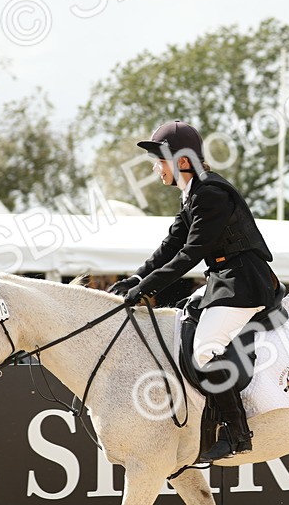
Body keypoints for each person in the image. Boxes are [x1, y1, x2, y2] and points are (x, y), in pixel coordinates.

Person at [110, 121, 276, 461]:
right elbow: (170, 245)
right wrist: (134, 278)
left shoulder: (210, 195)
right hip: (225, 279)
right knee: (185, 322)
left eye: (161, 161)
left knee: (205, 350)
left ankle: (237, 432)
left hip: (245, 282)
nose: (156, 168)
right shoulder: (194, 194)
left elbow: (191, 254)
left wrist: (147, 289)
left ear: (182, 162)